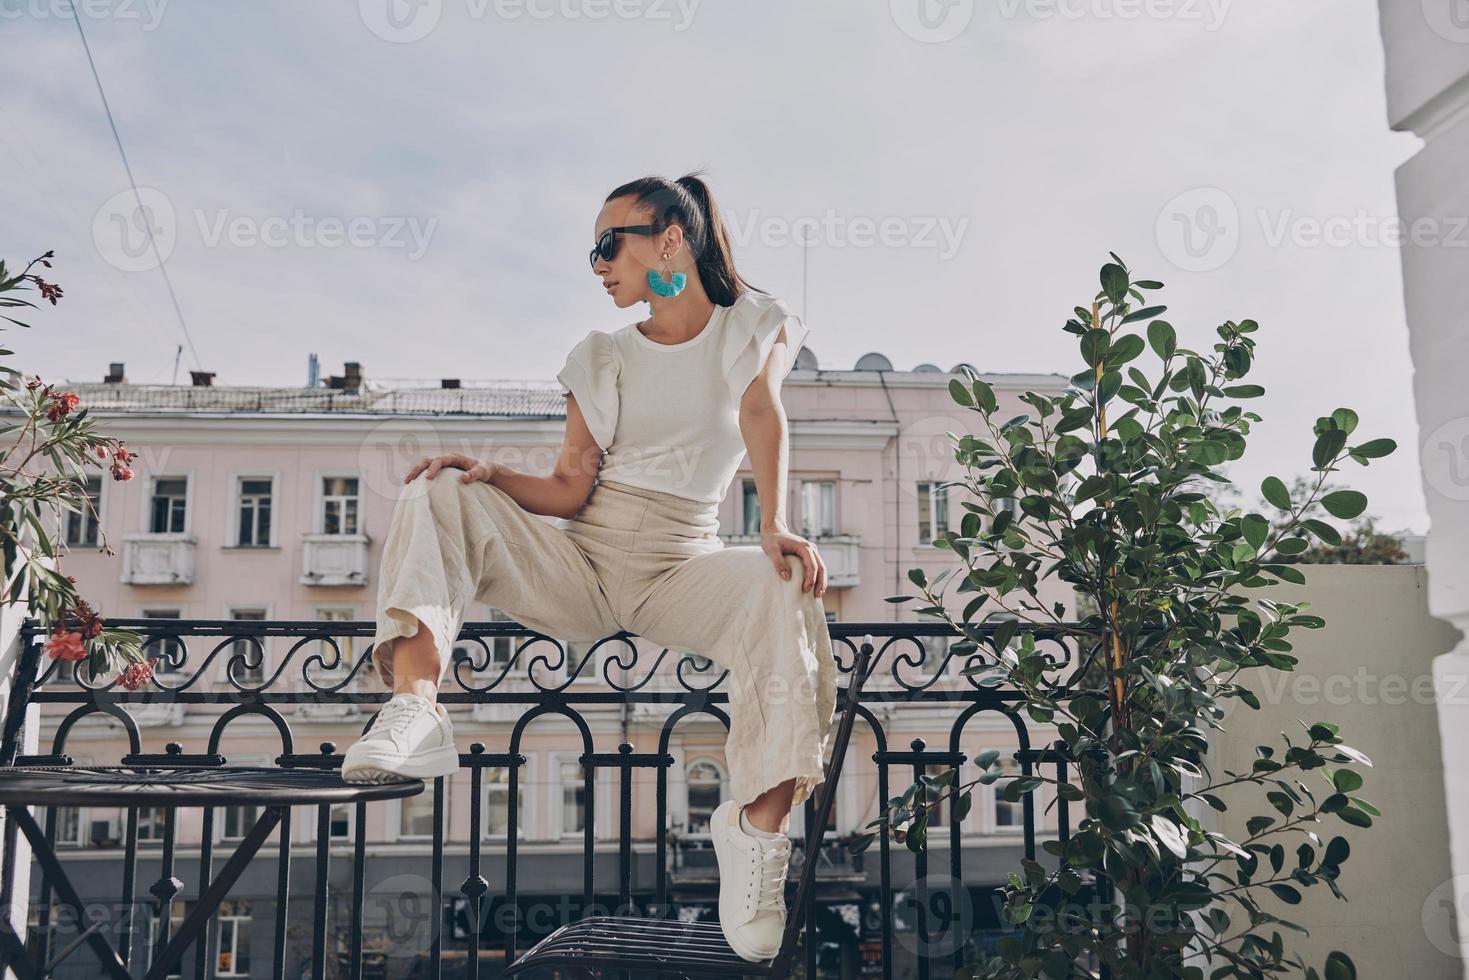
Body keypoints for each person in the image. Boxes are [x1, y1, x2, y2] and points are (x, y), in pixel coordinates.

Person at [340, 172, 838, 962]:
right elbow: (572, 487)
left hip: (684, 567)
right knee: (436, 488)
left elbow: (757, 411)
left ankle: (755, 832)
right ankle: (417, 707)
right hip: (582, 565)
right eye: (593, 250)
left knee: (785, 586)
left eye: (611, 243)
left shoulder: (754, 326)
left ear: (670, 240)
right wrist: (492, 478)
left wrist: (775, 524)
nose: (598, 263)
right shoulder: (600, 356)